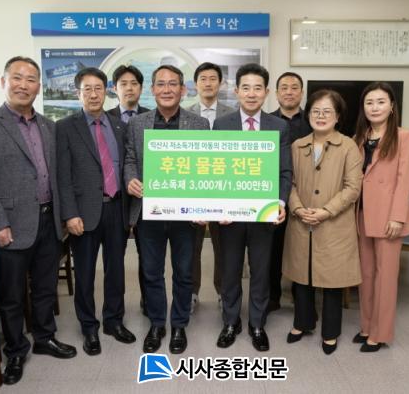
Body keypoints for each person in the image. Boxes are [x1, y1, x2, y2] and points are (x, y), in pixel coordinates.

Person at [0, 56, 77, 385]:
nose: (23, 85)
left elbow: (56, 176)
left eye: (30, 80)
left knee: (44, 288)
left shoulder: (49, 126)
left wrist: (62, 216)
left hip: (48, 221)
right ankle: (15, 350)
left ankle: (44, 338)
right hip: (11, 225)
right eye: (17, 78)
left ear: (39, 87)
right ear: (3, 82)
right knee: (12, 295)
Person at [124, 65, 209, 354]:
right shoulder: (138, 124)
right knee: (151, 271)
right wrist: (130, 180)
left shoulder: (199, 124)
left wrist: (205, 205)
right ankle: (157, 323)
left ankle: (179, 324)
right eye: (161, 84)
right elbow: (130, 159)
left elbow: (206, 165)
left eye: (173, 84)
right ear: (152, 90)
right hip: (150, 211)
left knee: (184, 272)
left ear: (183, 90)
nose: (167, 89)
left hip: (186, 213)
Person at [56, 67, 135, 356]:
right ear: (78, 93)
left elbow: (125, 167)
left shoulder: (119, 125)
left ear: (107, 91)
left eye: (98, 88)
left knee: (116, 270)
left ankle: (113, 321)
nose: (93, 94)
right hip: (83, 213)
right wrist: (69, 214)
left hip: (116, 208)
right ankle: (88, 326)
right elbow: (62, 175)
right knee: (86, 273)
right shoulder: (65, 127)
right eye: (87, 89)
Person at [213, 63, 292, 352]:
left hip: (263, 214)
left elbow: (285, 171)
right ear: (236, 91)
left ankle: (257, 324)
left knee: (261, 272)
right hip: (230, 217)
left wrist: (280, 203)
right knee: (230, 271)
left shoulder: (279, 126)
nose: (251, 93)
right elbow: (215, 170)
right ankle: (230, 322)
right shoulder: (221, 125)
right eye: (245, 87)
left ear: (266, 92)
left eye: (257, 88)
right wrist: (218, 207)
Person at [282, 89, 363, 355]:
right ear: (308, 115)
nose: (320, 116)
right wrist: (297, 208)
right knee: (302, 276)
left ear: (337, 116)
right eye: (315, 111)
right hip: (301, 220)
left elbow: (352, 188)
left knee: (332, 280)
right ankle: (302, 323)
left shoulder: (349, 146)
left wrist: (326, 211)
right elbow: (289, 182)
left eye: (327, 111)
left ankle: (330, 332)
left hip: (334, 224)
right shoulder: (297, 146)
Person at [353, 81, 409, 352]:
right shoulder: (359, 137)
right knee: (366, 274)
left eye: (381, 102)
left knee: (386, 277)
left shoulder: (404, 136)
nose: (375, 107)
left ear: (392, 106)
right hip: (362, 214)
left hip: (389, 216)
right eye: (369, 102)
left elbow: (405, 179)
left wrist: (398, 216)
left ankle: (380, 333)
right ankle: (367, 326)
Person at [185, 62, 236, 312]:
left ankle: (223, 292)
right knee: (191, 245)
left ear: (221, 83)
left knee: (223, 246)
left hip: (224, 189)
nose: (208, 83)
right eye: (203, 79)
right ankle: (192, 293)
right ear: (195, 84)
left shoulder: (233, 114)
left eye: (213, 78)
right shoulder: (185, 114)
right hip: (194, 189)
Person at [106, 64, 150, 315]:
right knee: (115, 258)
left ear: (141, 88)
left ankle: (148, 302)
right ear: (115, 88)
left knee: (148, 257)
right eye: (123, 84)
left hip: (144, 198)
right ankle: (116, 309)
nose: (129, 88)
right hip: (115, 200)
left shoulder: (152, 118)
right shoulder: (105, 118)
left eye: (134, 83)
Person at [268, 71, 312, 313]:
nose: (289, 92)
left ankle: (301, 299)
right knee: (272, 249)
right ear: (276, 93)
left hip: (306, 195)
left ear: (301, 93)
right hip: (274, 195)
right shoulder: (267, 122)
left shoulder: (313, 122)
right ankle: (272, 298)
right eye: (284, 87)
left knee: (302, 249)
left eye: (294, 87)